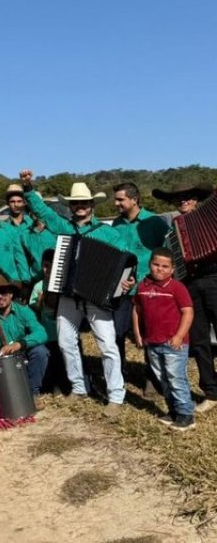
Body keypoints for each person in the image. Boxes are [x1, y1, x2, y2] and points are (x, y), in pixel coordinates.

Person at [20, 170, 133, 416]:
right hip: (68, 295)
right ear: (70, 206)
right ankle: (79, 387)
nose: (79, 207)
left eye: (83, 202)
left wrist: (127, 282)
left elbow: (127, 260)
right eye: (75, 203)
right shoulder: (63, 226)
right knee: (65, 341)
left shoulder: (107, 233)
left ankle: (116, 395)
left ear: (91, 205)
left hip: (97, 298)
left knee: (107, 346)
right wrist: (29, 188)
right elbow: (43, 212)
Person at [152, 182, 217, 413]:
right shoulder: (174, 229)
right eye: (178, 199)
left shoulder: (212, 215)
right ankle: (211, 392)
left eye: (188, 197)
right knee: (199, 340)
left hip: (215, 277)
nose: (183, 201)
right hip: (190, 284)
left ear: (197, 199)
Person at [111, 182, 169, 394]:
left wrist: (146, 278)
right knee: (116, 333)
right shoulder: (116, 225)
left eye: (120, 199)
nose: (116, 203)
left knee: (150, 334)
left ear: (134, 199)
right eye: (116, 199)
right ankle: (119, 376)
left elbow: (167, 254)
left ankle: (153, 379)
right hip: (122, 292)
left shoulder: (155, 222)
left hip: (148, 289)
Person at [132, 248, 195, 431]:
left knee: (176, 378)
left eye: (165, 266)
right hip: (152, 342)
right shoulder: (143, 286)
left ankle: (186, 414)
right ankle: (173, 410)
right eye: (156, 264)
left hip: (173, 344)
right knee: (162, 378)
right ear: (149, 264)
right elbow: (137, 310)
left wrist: (179, 336)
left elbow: (188, 312)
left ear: (172, 269)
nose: (159, 269)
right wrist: (138, 334)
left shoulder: (177, 288)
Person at [0, 274, 49, 409]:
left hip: (23, 357)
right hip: (2, 364)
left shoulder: (24, 311)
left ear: (11, 294)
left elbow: (42, 333)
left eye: (3, 292)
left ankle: (33, 393)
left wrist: (20, 344)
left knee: (40, 352)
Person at [29, 250, 69, 394]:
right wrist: (39, 302)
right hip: (46, 333)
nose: (46, 270)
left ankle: (62, 385)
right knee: (49, 360)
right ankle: (49, 385)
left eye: (49, 266)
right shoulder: (39, 286)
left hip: (61, 332)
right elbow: (33, 309)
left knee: (61, 360)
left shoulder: (63, 285)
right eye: (44, 266)